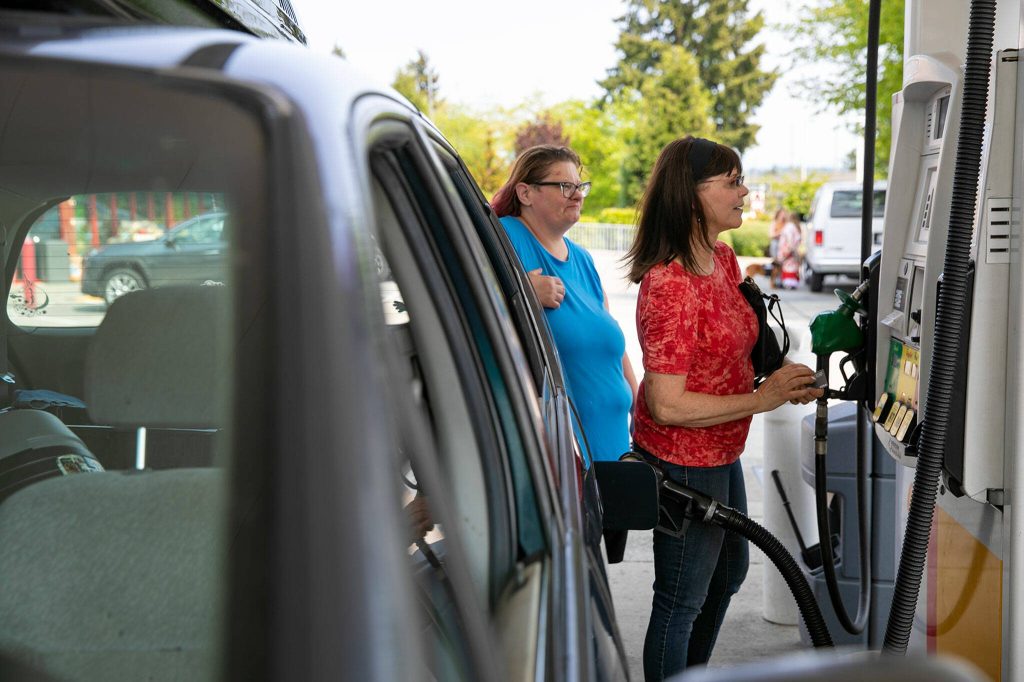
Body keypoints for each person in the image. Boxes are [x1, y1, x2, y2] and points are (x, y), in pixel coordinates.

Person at [623, 136, 822, 680]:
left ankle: (694, 671)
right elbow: (666, 403)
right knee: (681, 598)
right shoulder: (669, 284)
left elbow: (730, 347)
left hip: (722, 446)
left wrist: (776, 380)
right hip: (685, 456)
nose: (744, 192)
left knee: (729, 571)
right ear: (691, 195)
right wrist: (763, 398)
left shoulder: (722, 257)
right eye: (731, 182)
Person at [491, 145, 637, 463]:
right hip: (561, 457)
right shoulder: (506, 238)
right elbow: (469, 304)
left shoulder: (583, 259)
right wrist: (523, 292)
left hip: (614, 444)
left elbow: (612, 339)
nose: (577, 195)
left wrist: (638, 400)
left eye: (579, 186)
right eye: (563, 186)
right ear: (525, 193)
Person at [776, 209, 803, 289]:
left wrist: (789, 248)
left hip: (787, 249)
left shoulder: (789, 226)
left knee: (786, 266)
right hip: (794, 249)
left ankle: (787, 283)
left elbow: (789, 238)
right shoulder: (796, 227)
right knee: (793, 266)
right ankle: (793, 283)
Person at [768, 208, 787, 288]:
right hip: (776, 244)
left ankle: (781, 281)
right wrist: (780, 233)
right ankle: (774, 282)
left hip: (783, 245)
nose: (783, 216)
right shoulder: (774, 223)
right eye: (782, 214)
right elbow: (771, 235)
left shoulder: (786, 224)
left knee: (783, 264)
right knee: (776, 264)